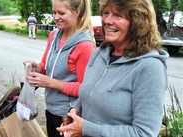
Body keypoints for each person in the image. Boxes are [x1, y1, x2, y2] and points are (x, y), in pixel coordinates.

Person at [56, 0, 169, 136]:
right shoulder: (99, 54)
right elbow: (89, 91)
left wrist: (85, 128)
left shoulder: (150, 68)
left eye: (118, 15)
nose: (108, 21)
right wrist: (75, 109)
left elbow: (144, 133)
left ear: (137, 23)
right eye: (106, 13)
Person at [23, 0, 96, 136]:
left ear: (77, 12)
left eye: (61, 13)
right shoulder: (54, 35)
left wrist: (49, 82)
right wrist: (36, 67)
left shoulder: (85, 47)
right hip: (51, 110)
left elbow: (85, 89)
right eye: (54, 12)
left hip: (68, 117)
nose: (56, 17)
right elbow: (45, 67)